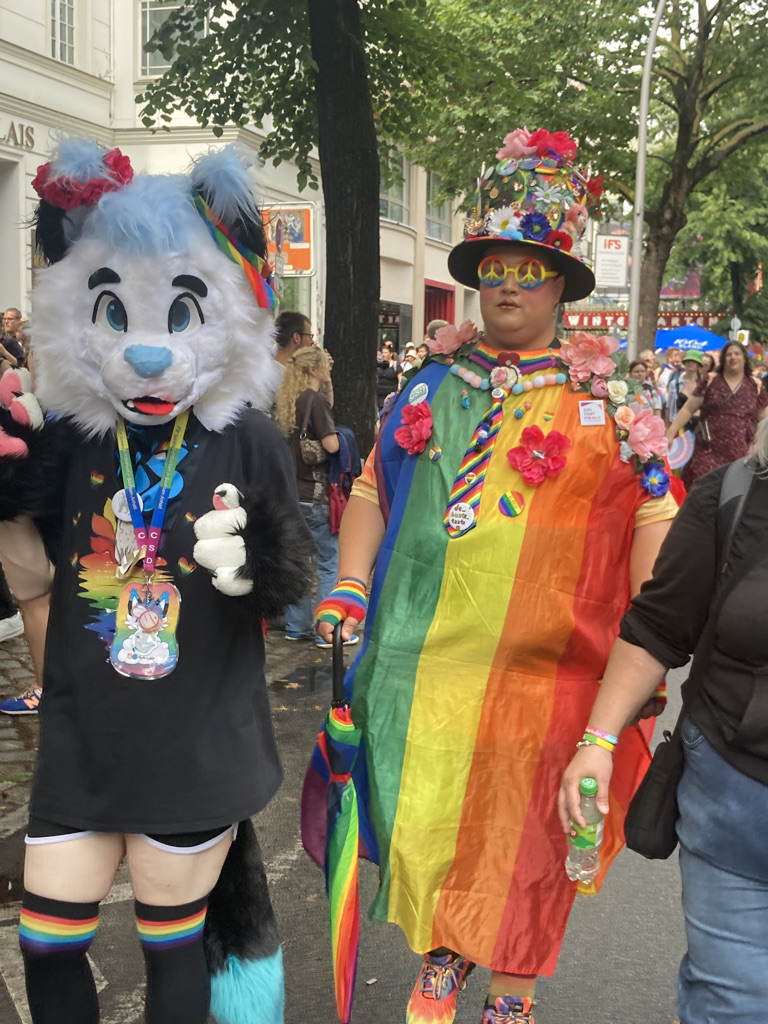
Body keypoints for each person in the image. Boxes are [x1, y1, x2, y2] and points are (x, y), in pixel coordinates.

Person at [308, 127, 676, 1024]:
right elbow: (369, 489)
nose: (509, 285)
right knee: (423, 810)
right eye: (496, 267)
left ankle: (511, 986)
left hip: (551, 678)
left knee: (530, 831)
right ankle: (443, 948)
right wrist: (351, 583)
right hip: (421, 665)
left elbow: (655, 520)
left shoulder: (616, 407)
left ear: (562, 282)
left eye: (531, 267)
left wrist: (653, 641)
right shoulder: (428, 387)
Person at [0, 137, 313, 1024]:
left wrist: (254, 562)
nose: (145, 353)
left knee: (171, 942)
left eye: (178, 316)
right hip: (83, 742)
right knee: (46, 939)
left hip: (196, 742)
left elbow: (291, 573)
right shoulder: (73, 435)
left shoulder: (246, 434)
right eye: (114, 314)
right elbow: (28, 564)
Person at [559, 419, 768, 1024]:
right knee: (735, 1005)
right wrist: (596, 741)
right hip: (737, 802)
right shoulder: (733, 495)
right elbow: (657, 626)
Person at [275, 346, 358, 648]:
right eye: (325, 366)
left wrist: (330, 380)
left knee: (299, 562)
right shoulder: (316, 401)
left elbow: (325, 405)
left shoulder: (290, 401)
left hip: (292, 493)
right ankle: (327, 629)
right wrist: (345, 438)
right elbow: (332, 445)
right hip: (318, 493)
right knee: (327, 563)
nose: (328, 370)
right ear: (313, 369)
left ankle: (297, 627)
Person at [666, 340, 768, 486]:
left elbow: (764, 420)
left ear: (744, 358)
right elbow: (688, 409)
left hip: (741, 453)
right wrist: (670, 433)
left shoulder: (755, 386)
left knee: (732, 494)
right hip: (708, 450)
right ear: (723, 359)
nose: (733, 357)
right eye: (729, 354)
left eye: (737, 354)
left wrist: (759, 445)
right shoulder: (710, 381)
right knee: (702, 490)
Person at [667, 349, 705, 425]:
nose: (690, 363)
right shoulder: (674, 384)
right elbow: (669, 407)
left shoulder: (705, 384)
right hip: (678, 426)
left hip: (698, 427)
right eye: (688, 361)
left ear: (699, 365)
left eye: (694, 361)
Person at [0, 307, 25, 373]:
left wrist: (4, 352)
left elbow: (22, 365)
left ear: (19, 320)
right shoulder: (3, 339)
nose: (6, 322)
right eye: (4, 319)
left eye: (10, 319)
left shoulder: (10, 341)